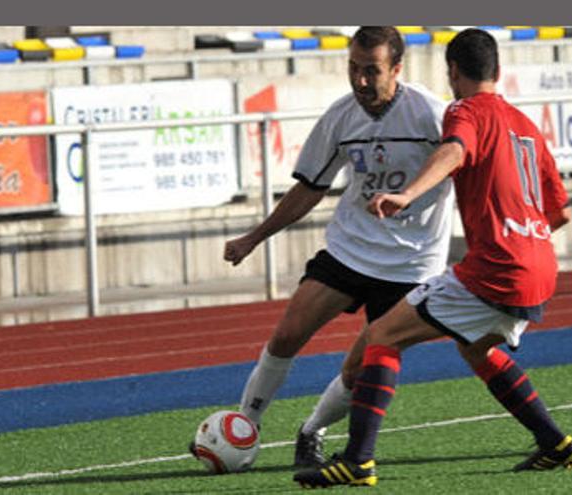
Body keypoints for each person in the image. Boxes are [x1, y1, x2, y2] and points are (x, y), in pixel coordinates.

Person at [294, 28, 572, 489]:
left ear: (452, 72)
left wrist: (406, 193)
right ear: (498, 71)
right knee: (475, 346)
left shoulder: (464, 111)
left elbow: (455, 149)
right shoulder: (525, 124)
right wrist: (525, 242)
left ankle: (357, 460)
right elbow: (559, 211)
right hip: (541, 265)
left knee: (382, 334)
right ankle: (555, 443)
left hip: (498, 268)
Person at [189, 26, 454, 469]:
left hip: (411, 262)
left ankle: (311, 431)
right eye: (354, 68)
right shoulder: (341, 116)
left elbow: (463, 160)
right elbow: (310, 187)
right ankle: (244, 429)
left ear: (397, 69)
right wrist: (254, 238)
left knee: (361, 368)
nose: (361, 81)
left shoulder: (430, 115)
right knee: (288, 334)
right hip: (351, 248)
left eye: (372, 71)